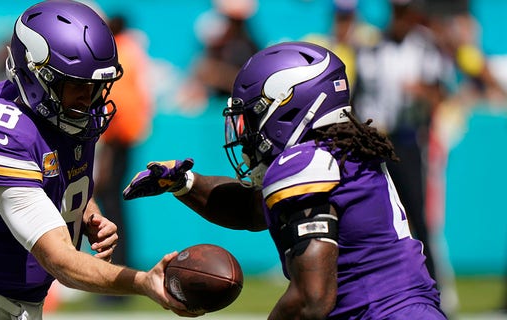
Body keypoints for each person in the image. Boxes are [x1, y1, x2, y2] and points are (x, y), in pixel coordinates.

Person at [0, 1, 199, 319]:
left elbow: (57, 176)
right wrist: (143, 281)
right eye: (76, 84)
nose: (88, 98)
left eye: (96, 86)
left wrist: (87, 212)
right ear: (35, 74)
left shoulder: (73, 116)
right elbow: (59, 259)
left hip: (28, 307)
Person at [123, 41, 446, 319]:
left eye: (250, 115)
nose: (244, 130)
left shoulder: (305, 163)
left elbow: (311, 300)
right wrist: (184, 182)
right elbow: (252, 209)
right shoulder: (336, 155)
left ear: (285, 105)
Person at [351, 0, 455, 284]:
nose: (401, 18)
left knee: (417, 218)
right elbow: (357, 99)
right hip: (374, 142)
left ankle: (432, 288)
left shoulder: (425, 48)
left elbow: (441, 94)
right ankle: (379, 285)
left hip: (407, 141)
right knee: (373, 216)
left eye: (405, 11)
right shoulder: (372, 47)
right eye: (397, 11)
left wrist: (421, 91)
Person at [92, 13, 154, 306]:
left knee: (110, 208)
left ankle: (115, 278)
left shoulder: (119, 51)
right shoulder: (132, 49)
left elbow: (115, 103)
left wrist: (104, 155)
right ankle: (119, 277)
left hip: (117, 137)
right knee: (115, 205)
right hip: (127, 134)